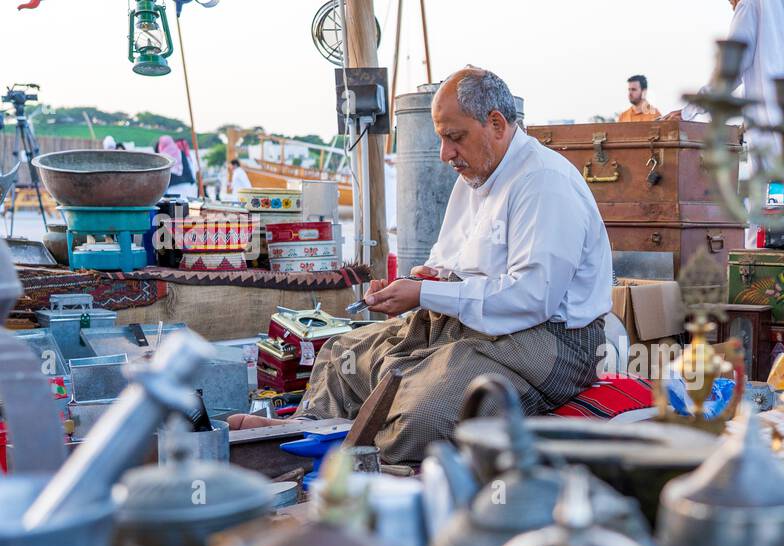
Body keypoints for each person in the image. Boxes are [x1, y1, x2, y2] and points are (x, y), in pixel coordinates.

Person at [226, 68, 613, 465]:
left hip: (547, 340)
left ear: (496, 123)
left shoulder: (545, 182)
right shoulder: (475, 178)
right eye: (441, 139)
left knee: (421, 414)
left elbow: (532, 299)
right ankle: (306, 433)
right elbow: (448, 263)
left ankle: (339, 460)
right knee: (344, 355)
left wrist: (425, 292)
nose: (445, 154)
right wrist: (421, 280)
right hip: (472, 322)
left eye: (454, 137)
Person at [666, 0, 784, 169]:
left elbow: (730, 69)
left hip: (778, 131)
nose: (732, 6)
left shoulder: (750, 5)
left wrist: (688, 111)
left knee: (778, 194)